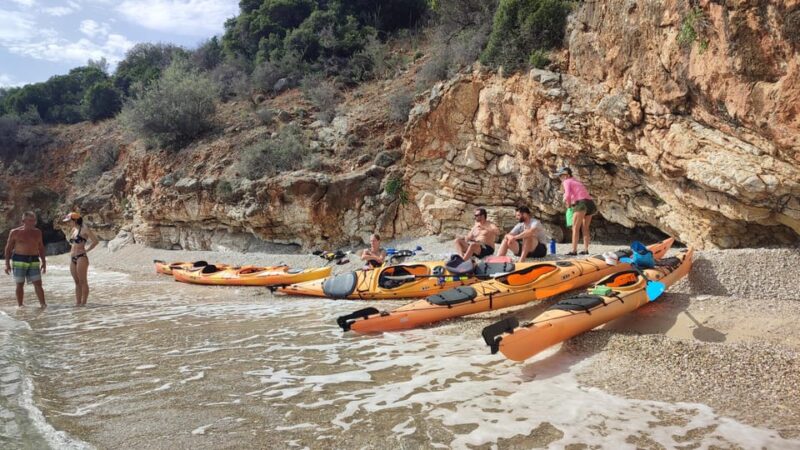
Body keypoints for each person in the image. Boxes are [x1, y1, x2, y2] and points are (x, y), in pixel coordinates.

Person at [4, 211, 47, 308]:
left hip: (34, 259)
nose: (33, 223)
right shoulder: (15, 232)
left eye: (34, 220)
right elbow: (8, 248)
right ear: (23, 221)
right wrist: (7, 264)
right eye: (30, 220)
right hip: (19, 259)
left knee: (38, 283)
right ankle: (20, 305)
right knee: (20, 284)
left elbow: (41, 247)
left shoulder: (38, 232)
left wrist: (44, 262)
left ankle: (43, 304)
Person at [555, 167, 597, 256]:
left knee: (575, 228)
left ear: (566, 175)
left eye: (561, 176)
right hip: (590, 204)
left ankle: (574, 251)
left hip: (581, 203)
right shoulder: (576, 181)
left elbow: (567, 195)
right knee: (585, 228)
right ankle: (586, 250)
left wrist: (568, 205)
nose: (560, 178)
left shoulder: (567, 181)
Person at [63, 212, 99, 306]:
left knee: (83, 281)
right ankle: (78, 303)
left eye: (69, 221)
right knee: (76, 282)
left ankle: (84, 303)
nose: (68, 223)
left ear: (75, 220)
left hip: (81, 257)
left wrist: (87, 250)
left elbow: (95, 241)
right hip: (72, 258)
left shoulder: (84, 229)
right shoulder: (73, 230)